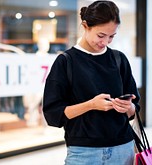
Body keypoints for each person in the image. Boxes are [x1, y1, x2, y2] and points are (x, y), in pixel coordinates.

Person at [42, 1, 140, 165]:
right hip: (84, 153)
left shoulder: (119, 59)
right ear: (85, 26)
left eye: (111, 37)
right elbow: (53, 115)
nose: (105, 42)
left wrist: (128, 107)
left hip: (124, 148)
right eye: (101, 35)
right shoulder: (66, 62)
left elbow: (134, 109)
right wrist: (91, 105)